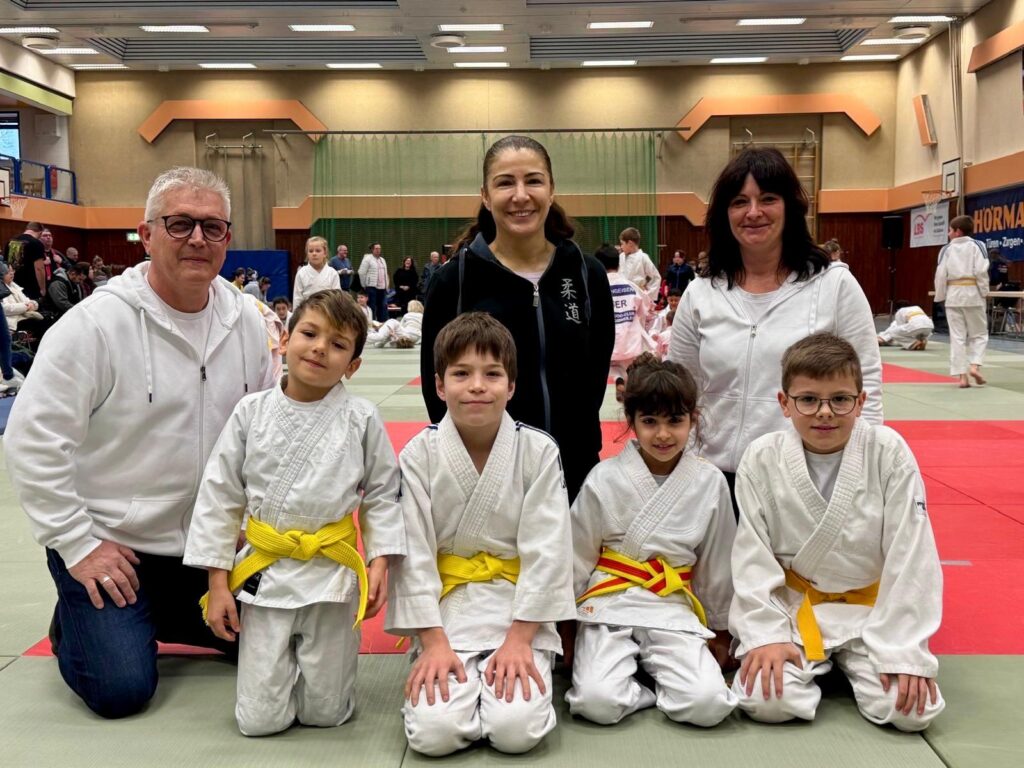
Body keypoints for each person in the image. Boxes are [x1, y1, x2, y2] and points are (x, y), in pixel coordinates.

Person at [4, 166, 275, 719]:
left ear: (227, 238)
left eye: (212, 227)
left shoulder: (246, 323)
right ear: (147, 235)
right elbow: (32, 440)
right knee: (121, 689)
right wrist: (76, 543)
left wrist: (254, 522)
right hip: (115, 542)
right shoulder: (95, 326)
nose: (197, 239)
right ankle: (83, 616)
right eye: (179, 224)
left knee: (286, 643)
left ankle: (156, 614)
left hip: (209, 548)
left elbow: (266, 433)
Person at [184, 289, 405, 736]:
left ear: (353, 365)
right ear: (285, 340)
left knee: (327, 713)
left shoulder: (361, 418)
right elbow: (220, 496)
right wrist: (217, 581)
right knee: (258, 720)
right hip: (267, 571)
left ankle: (324, 691)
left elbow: (384, 493)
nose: (320, 348)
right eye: (309, 333)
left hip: (332, 574)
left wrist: (381, 561)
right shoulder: (251, 412)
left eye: (338, 344)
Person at [730, 333, 944, 731]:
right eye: (808, 399)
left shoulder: (888, 451)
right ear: (784, 403)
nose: (824, 412)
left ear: (861, 402)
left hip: (870, 613)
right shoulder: (761, 457)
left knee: (911, 712)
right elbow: (751, 555)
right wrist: (765, 634)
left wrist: (905, 650)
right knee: (767, 701)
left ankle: (851, 663)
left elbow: (912, 554)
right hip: (794, 609)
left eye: (840, 399)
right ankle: (820, 664)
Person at [387, 312, 575, 756]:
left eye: (492, 374)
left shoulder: (538, 451)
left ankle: (493, 696)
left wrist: (521, 639)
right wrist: (432, 642)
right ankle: (459, 696)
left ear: (512, 385)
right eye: (461, 374)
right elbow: (413, 553)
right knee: (434, 735)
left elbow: (549, 550)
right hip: (446, 612)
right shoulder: (419, 454)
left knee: (516, 731)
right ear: (438, 385)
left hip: (518, 609)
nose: (477, 386)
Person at [668, 147, 882, 512]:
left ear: (790, 207)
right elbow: (681, 386)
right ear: (724, 213)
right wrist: (681, 462)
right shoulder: (702, 292)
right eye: (740, 202)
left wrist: (864, 469)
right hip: (712, 478)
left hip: (804, 476)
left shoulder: (834, 286)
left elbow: (868, 383)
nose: (753, 212)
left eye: (768, 199)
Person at [420, 135, 614, 502]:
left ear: (551, 190)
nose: (521, 195)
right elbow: (437, 387)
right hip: (485, 475)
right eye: (505, 182)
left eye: (533, 181)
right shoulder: (454, 281)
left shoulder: (586, 275)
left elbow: (595, 377)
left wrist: (579, 443)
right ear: (485, 195)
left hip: (574, 469)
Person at [566, 354, 737, 727]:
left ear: (693, 419)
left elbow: (717, 562)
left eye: (675, 421)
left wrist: (722, 630)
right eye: (649, 421)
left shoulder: (710, 482)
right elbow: (576, 555)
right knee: (596, 703)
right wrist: (564, 626)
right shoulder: (604, 477)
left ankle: (650, 677)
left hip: (672, 602)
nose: (662, 434)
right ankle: (644, 686)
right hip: (608, 601)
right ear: (631, 421)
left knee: (708, 705)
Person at [935, 215, 990, 388]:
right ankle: (974, 366)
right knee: (979, 334)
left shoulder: (946, 249)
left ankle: (962, 377)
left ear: (958, 231)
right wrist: (984, 291)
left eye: (950, 230)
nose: (948, 233)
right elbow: (981, 271)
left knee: (957, 337)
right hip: (973, 294)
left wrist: (940, 296)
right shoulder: (978, 246)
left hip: (953, 296)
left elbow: (940, 274)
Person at [595, 244, 652, 394]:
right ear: (619, 264)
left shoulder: (593, 288)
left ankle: (618, 379)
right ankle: (625, 383)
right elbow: (645, 310)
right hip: (630, 343)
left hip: (606, 345)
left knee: (611, 367)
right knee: (631, 369)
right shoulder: (631, 286)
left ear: (597, 265)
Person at [293, 236, 341, 310]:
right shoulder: (301, 273)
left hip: (327, 311)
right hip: (308, 312)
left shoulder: (332, 273)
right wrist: (297, 315)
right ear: (307, 254)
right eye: (311, 251)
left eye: (318, 251)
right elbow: (297, 298)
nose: (314, 254)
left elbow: (337, 298)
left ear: (325, 253)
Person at [618, 227, 660, 304]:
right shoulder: (621, 257)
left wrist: (647, 294)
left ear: (630, 243)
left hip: (638, 295)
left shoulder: (643, 257)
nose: (621, 247)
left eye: (622, 243)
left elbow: (656, 277)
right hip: (622, 295)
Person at [6, 221, 46, 301]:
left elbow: (6, 265)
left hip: (12, 286)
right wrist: (42, 288)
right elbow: (39, 269)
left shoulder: (10, 241)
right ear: (40, 233)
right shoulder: (37, 243)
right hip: (30, 289)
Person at [358, 242, 389, 322]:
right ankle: (371, 323)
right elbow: (361, 272)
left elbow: (385, 273)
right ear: (372, 249)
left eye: (379, 248)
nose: (378, 250)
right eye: (376, 248)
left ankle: (382, 324)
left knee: (383, 307)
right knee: (372, 307)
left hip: (382, 288)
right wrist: (364, 284)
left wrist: (386, 286)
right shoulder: (367, 259)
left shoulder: (382, 260)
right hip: (372, 287)